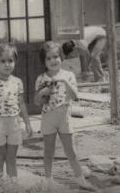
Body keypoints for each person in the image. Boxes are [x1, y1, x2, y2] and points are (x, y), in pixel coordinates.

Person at [34, 41, 95, 191]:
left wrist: (64, 81)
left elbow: (75, 96)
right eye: (48, 58)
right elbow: (36, 102)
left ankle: (81, 180)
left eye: (56, 57)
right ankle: (49, 182)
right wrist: (42, 93)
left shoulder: (68, 75)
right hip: (48, 117)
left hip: (64, 117)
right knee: (49, 151)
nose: (53, 60)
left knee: (71, 151)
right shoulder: (41, 79)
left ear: (61, 57)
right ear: (44, 61)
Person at [0, 42, 33, 185]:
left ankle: (13, 186)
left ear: (15, 62)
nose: (7, 65)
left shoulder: (17, 82)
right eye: (3, 61)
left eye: (10, 61)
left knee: (11, 158)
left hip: (14, 124)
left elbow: (21, 103)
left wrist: (28, 124)